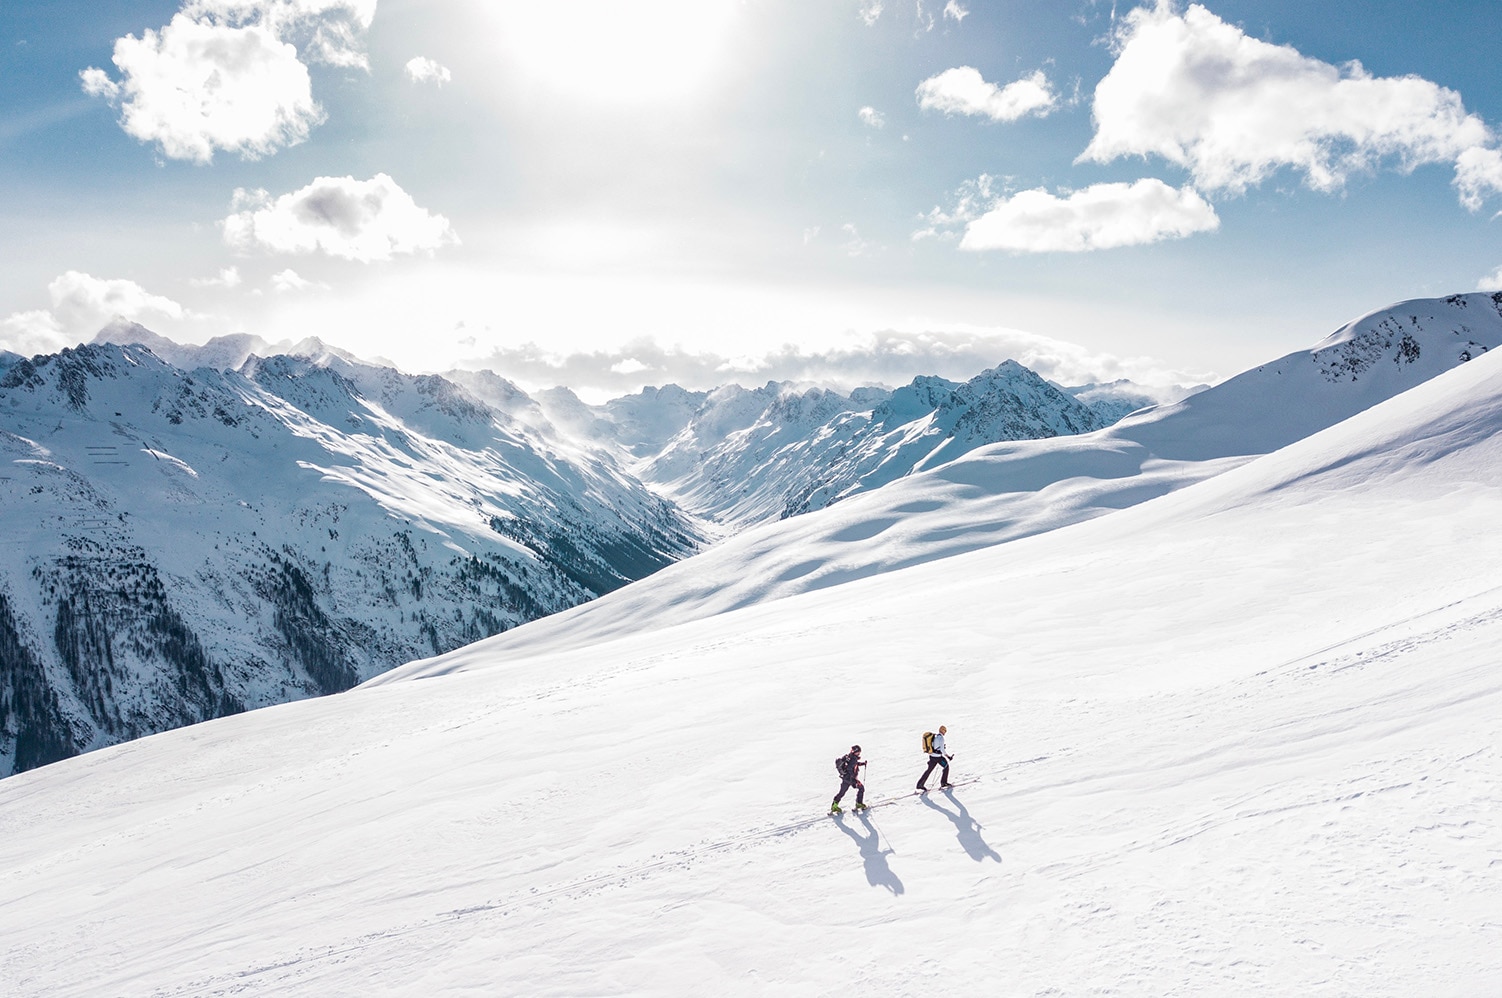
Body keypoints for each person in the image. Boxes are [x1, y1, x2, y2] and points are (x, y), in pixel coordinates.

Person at [831, 744, 868, 814]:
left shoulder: (849, 757)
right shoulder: (853, 759)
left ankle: (834, 806)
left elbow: (854, 764)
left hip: (845, 778)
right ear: (855, 752)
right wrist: (855, 780)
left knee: (841, 792)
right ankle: (859, 803)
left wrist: (862, 764)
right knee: (861, 788)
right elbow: (850, 768)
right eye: (858, 752)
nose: (859, 753)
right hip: (850, 779)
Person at [917, 725, 952, 791]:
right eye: (945, 731)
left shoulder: (935, 736)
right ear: (943, 730)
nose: (945, 732)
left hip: (932, 756)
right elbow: (942, 749)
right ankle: (943, 782)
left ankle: (920, 784)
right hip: (938, 757)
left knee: (929, 770)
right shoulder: (941, 738)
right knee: (946, 766)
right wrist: (948, 756)